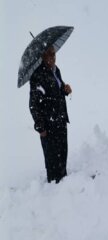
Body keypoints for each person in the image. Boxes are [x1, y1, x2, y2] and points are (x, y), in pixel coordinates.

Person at [29, 45, 72, 183]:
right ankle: (53, 191)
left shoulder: (56, 70)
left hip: (60, 119)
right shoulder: (37, 76)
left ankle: (64, 182)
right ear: (42, 56)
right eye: (49, 54)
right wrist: (40, 127)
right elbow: (34, 104)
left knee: (63, 154)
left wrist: (65, 89)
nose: (53, 57)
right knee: (52, 159)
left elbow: (58, 87)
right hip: (49, 125)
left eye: (53, 53)